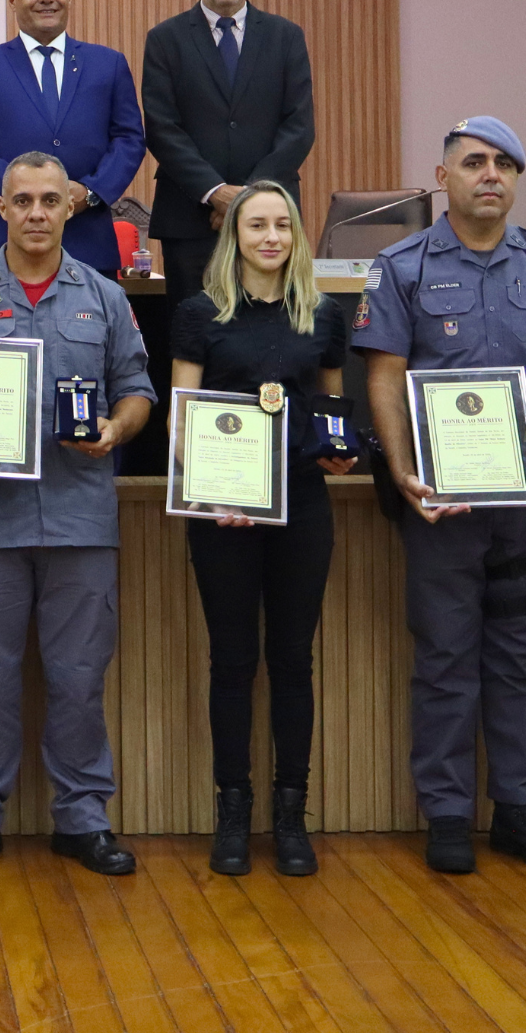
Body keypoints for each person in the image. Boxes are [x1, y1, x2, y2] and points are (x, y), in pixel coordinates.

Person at [355, 117, 526, 875]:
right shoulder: (403, 266)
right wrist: (403, 472)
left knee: (516, 657)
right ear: (444, 179)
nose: (491, 174)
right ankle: (444, 813)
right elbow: (384, 377)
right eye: (474, 162)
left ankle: (518, 810)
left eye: (504, 163)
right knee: (443, 656)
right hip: (443, 501)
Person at [0, 151, 155, 878]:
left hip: (79, 517)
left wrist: (117, 431)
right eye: (21, 200)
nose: (34, 213)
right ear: (1, 210)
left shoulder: (105, 297)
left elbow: (137, 388)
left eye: (48, 201)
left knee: (79, 674)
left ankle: (83, 817)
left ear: (69, 209)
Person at [170, 181, 355, 877]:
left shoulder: (324, 315)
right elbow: (181, 418)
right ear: (234, 235)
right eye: (257, 225)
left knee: (292, 661)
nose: (271, 236)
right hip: (225, 513)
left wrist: (340, 453)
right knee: (232, 661)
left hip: (303, 507)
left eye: (282, 224)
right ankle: (233, 812)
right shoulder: (199, 313)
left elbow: (331, 405)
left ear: (297, 235)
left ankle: (290, 816)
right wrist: (213, 487)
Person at [142, 0, 315, 301]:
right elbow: (161, 128)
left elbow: (299, 127)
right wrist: (215, 193)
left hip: (271, 222)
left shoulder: (286, 37)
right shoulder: (165, 39)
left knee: (271, 335)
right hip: (191, 219)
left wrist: (247, 201)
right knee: (193, 338)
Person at [0, 0, 146, 276]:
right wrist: (23, 194)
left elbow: (129, 139)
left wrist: (92, 192)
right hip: (9, 245)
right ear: (13, 0)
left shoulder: (108, 64)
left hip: (89, 242)